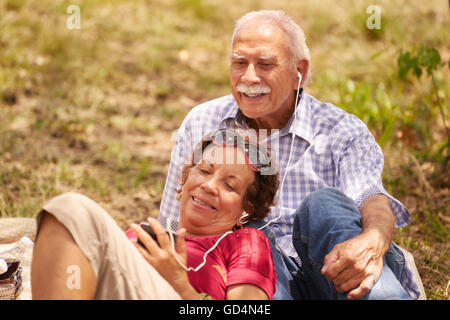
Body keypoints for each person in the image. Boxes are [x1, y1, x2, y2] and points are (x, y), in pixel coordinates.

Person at [158, 10, 421, 300]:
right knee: (252, 234)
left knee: (323, 204)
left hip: (338, 269)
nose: (249, 77)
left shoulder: (341, 130)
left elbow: (371, 198)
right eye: (239, 63)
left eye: (265, 64)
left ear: (300, 73)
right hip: (256, 281)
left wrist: (373, 240)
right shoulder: (202, 121)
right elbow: (175, 218)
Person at [31, 129, 279, 300]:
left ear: (246, 209)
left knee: (73, 209)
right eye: (204, 170)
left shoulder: (245, 242)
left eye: (230, 185)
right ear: (186, 177)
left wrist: (179, 282)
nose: (209, 186)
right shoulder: (154, 228)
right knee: (65, 219)